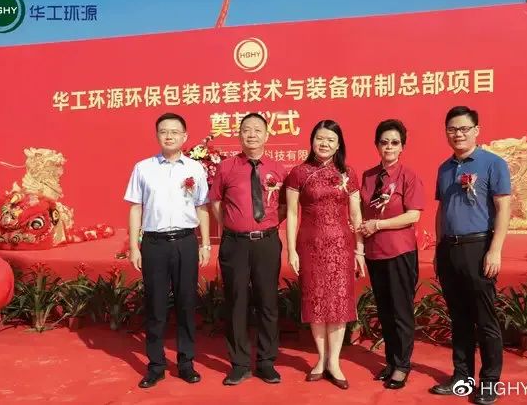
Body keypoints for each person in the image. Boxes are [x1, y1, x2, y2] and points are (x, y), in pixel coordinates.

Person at [124, 112, 211, 389]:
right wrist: (134, 246)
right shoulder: (143, 168)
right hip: (154, 244)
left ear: (185, 137)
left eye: (175, 131)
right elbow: (135, 207)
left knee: (186, 303)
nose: (169, 136)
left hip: (185, 242)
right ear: (157, 136)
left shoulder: (195, 168)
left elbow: (202, 206)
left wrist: (205, 243)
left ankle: (186, 363)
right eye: (164, 131)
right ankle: (156, 365)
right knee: (156, 305)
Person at [430, 106, 510, 405]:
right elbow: (442, 210)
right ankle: (462, 376)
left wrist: (495, 250)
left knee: (484, 320)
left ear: (477, 130)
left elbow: (503, 208)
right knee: (459, 318)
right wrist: (438, 248)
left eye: (464, 128)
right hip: (449, 249)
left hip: (478, 248)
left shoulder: (493, 164)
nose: (458, 134)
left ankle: (489, 381)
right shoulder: (444, 168)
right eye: (452, 129)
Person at [285, 120, 365, 390]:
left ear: (338, 144)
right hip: (310, 245)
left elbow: (356, 214)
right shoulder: (299, 173)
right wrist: (292, 250)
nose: (324, 144)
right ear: (312, 141)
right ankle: (320, 359)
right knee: (316, 301)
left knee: (339, 302)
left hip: (341, 246)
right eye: (320, 138)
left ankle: (334, 361)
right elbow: (292, 213)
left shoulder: (347, 173)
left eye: (331, 139)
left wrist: (359, 249)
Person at [209, 112, 287, 386]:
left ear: (267, 135)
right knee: (236, 301)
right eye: (246, 130)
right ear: (239, 135)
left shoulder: (278, 169)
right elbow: (216, 202)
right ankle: (240, 364)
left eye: (257, 130)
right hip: (236, 244)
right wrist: (233, 225)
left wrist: (268, 225)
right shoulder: (226, 167)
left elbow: (284, 206)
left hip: (266, 242)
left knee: (268, 301)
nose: (251, 134)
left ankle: (266, 362)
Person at [358, 119, 424, 390]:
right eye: (384, 142)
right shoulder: (368, 176)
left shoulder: (408, 175)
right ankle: (391, 361)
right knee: (385, 310)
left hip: (399, 251)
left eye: (394, 142)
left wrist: (379, 225)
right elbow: (361, 211)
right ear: (377, 145)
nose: (389, 147)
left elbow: (413, 215)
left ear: (402, 147)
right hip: (375, 253)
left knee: (400, 311)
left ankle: (402, 365)